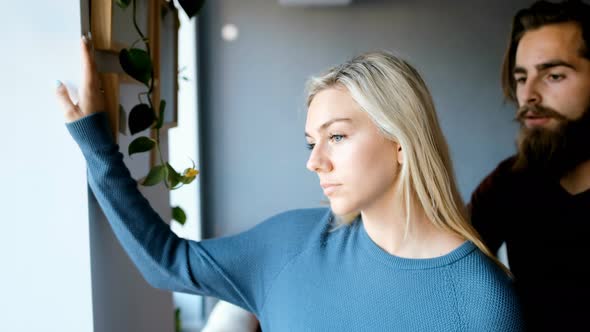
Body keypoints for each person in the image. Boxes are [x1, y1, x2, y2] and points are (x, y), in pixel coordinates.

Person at [56, 35, 523, 331]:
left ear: (401, 141)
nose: (315, 162)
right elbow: (167, 263)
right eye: (310, 143)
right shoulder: (290, 244)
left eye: (337, 136)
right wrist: (98, 146)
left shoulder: (481, 301)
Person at [469, 0, 590, 330]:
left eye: (553, 75)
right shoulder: (510, 183)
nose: (529, 95)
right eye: (522, 78)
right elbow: (450, 267)